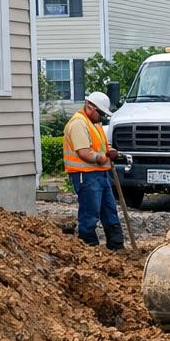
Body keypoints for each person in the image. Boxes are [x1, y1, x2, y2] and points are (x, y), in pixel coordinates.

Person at [62, 91, 124, 250]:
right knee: (90, 214)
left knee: (109, 211)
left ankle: (117, 246)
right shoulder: (78, 124)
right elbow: (84, 153)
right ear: (90, 107)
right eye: (101, 113)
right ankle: (90, 249)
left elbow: (102, 144)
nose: (102, 117)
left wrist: (111, 151)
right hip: (86, 176)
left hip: (100, 174)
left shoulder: (94, 123)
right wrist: (102, 157)